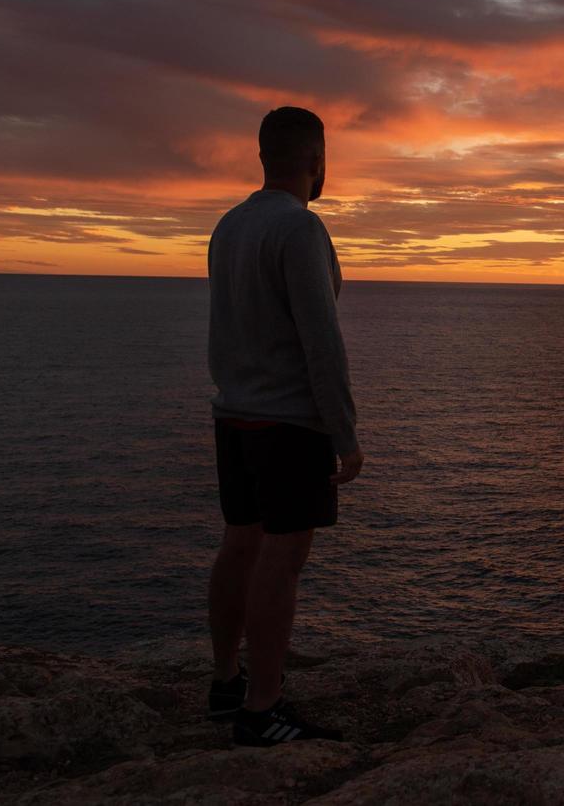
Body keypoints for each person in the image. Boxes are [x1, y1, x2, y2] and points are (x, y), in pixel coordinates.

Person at [204, 106, 363, 747]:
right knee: (283, 556)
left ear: (263, 156)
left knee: (239, 542)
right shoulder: (300, 229)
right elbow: (321, 341)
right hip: (288, 422)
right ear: (316, 161)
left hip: (233, 414)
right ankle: (261, 708)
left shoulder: (230, 225)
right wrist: (344, 434)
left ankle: (225, 682)